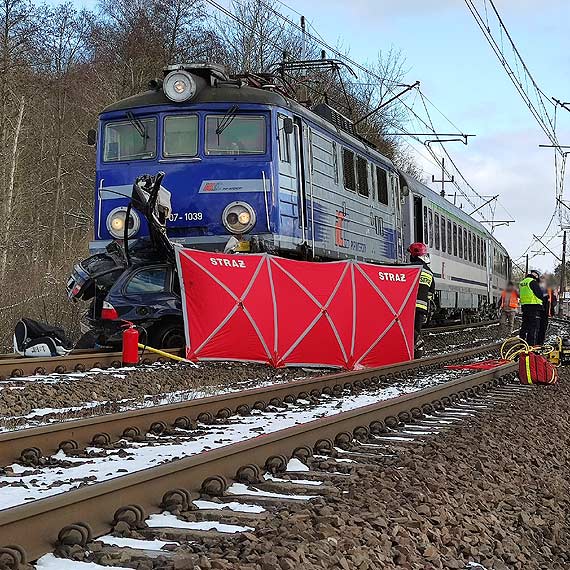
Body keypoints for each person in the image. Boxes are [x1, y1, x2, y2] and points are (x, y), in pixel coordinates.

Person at [408, 242, 435, 358]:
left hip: (410, 305)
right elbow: (430, 292)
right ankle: (417, 352)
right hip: (422, 307)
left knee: (408, 329)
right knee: (416, 329)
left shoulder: (411, 269)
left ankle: (417, 346)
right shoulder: (429, 272)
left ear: (413, 255)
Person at [519, 270, 543, 346]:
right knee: (533, 328)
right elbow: (539, 294)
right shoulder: (533, 282)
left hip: (525, 307)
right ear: (536, 276)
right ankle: (531, 346)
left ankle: (522, 344)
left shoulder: (522, 283)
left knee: (524, 326)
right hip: (534, 307)